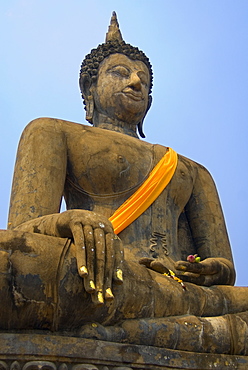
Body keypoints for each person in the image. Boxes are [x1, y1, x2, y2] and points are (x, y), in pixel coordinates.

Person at [3, 12, 248, 354]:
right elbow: (21, 237)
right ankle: (174, 329)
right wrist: (67, 220)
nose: (135, 82)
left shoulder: (192, 171)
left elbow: (224, 269)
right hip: (97, 277)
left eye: (143, 79)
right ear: (90, 88)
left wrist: (208, 269)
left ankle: (129, 330)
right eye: (120, 72)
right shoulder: (50, 131)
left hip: (175, 291)